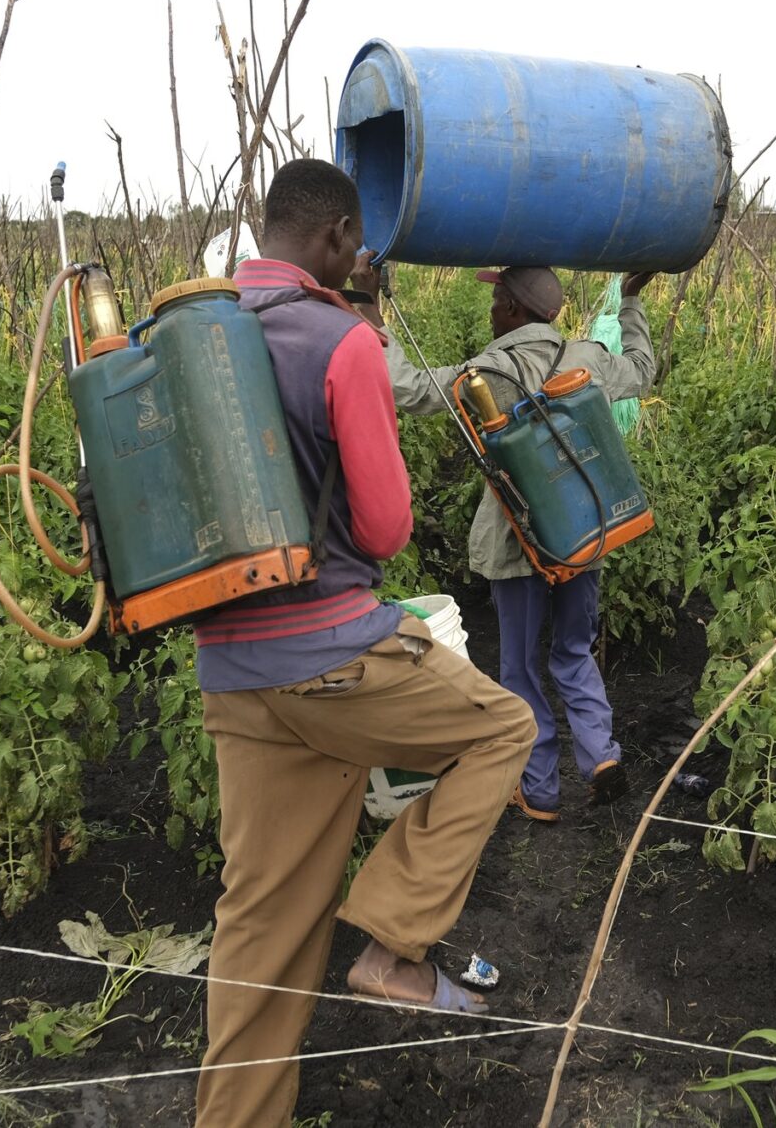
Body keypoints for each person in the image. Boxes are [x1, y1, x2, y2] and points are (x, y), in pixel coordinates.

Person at [193, 159, 536, 1127]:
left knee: (259, 936)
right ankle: (394, 944)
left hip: (232, 675)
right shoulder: (338, 343)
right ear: (339, 240)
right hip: (333, 660)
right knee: (500, 729)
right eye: (357, 245)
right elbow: (385, 531)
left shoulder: (201, 336)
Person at [358, 259, 657, 823]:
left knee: (519, 666)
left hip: (516, 542)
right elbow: (642, 369)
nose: (491, 309)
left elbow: (409, 387)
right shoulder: (588, 358)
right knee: (573, 650)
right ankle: (600, 758)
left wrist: (371, 308)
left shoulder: (487, 372)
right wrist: (633, 301)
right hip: (581, 533)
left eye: (497, 301)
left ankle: (539, 790)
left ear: (515, 309)